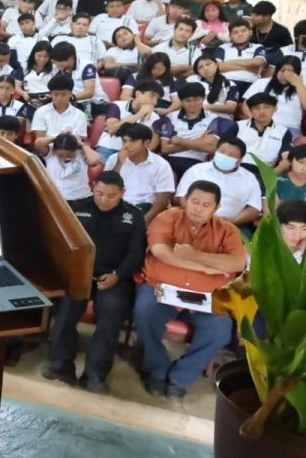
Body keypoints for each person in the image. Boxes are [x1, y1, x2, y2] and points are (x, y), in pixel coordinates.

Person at [135, 180, 246, 398]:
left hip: (205, 298)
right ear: (184, 200)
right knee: (144, 312)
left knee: (220, 331)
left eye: (206, 205)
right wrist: (204, 267)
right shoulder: (167, 218)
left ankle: (180, 378)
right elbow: (160, 252)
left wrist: (192, 254)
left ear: (217, 208)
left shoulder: (228, 230)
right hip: (162, 289)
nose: (198, 208)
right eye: (194, 201)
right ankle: (157, 371)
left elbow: (237, 264)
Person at [43, 171, 147, 394]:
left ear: (122, 194)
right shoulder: (77, 207)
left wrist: (118, 275)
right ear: (93, 188)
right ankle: (60, 365)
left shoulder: (134, 216)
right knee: (67, 309)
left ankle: (94, 374)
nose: (104, 199)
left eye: (111, 196)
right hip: (80, 273)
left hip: (114, 277)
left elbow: (136, 254)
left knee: (112, 313)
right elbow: (62, 242)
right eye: (99, 193)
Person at [174, 138, 262, 229]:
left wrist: (231, 223)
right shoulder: (196, 170)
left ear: (240, 160)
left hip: (230, 227)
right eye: (222, 152)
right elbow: (181, 197)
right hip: (193, 223)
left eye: (231, 155)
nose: (225, 156)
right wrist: (201, 218)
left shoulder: (250, 178)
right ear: (215, 151)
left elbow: (254, 208)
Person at [104, 124, 175, 223]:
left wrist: (143, 222)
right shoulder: (114, 159)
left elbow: (162, 202)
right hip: (118, 206)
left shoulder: (161, 165)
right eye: (124, 141)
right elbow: (107, 187)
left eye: (133, 141)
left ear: (146, 143)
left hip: (146, 208)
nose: (126, 146)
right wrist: (119, 163)